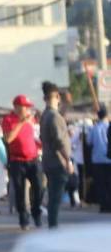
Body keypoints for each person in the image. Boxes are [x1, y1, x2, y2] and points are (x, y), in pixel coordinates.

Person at [2, 95, 43, 230]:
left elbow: (34, 136)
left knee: (39, 187)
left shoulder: (31, 120)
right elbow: (8, 139)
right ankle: (23, 218)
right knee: (20, 191)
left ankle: (36, 213)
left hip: (33, 159)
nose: (27, 109)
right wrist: (21, 122)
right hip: (17, 161)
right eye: (25, 106)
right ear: (17, 107)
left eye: (28, 107)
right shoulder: (8, 120)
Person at [39, 82, 73, 228]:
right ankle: (54, 228)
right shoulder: (55, 116)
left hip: (48, 160)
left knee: (53, 196)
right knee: (55, 199)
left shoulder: (44, 115)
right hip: (58, 162)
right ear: (58, 97)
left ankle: (53, 226)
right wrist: (68, 161)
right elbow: (59, 142)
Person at [89, 107, 111, 212]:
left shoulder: (94, 128)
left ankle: (103, 205)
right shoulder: (108, 126)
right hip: (109, 159)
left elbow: (89, 142)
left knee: (100, 184)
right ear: (106, 115)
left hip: (97, 159)